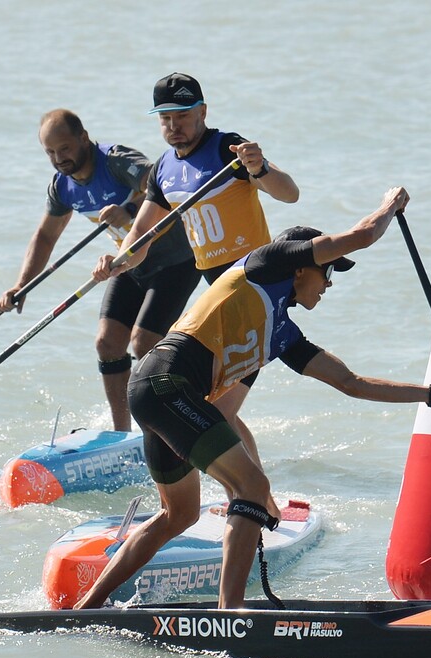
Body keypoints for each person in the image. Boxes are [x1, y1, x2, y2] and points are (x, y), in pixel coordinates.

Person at [75, 187, 431, 610]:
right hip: (165, 381)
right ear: (302, 265)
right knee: (251, 488)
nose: (328, 283)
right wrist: (390, 205)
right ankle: (230, 613)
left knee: (177, 515)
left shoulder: (281, 333)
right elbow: (362, 235)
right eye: (327, 272)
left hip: (158, 392)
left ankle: (87, 608)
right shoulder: (264, 266)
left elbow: (352, 383)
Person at [101, 73, 298, 488]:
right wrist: (115, 262)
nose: (174, 126)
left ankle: (249, 498)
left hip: (257, 288)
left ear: (203, 112)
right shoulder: (162, 171)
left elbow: (288, 193)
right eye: (165, 118)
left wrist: (259, 168)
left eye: (183, 115)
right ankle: (256, 493)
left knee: (213, 411)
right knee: (211, 407)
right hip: (220, 297)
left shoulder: (229, 148)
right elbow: (139, 241)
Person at [0, 109, 198, 431]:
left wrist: (130, 208)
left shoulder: (115, 161)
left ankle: (162, 427)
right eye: (50, 152)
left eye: (64, 148)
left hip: (176, 260)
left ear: (83, 138)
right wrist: (22, 285)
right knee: (107, 343)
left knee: (144, 342)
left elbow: (159, 180)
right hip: (130, 262)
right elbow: (46, 235)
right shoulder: (63, 187)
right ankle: (123, 435)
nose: (58, 158)